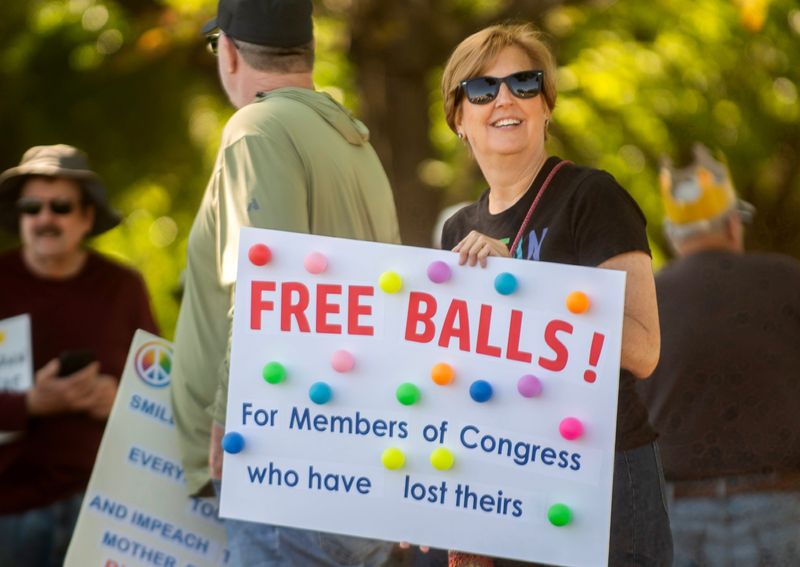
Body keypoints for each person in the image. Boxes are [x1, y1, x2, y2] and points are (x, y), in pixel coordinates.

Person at [169, 0, 401, 565]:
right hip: (342, 459)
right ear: (309, 51)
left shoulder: (257, 127)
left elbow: (267, 288)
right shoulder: (351, 140)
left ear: (227, 51)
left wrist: (233, 418)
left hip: (276, 461)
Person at [437, 23, 672, 566]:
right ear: (459, 118)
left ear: (546, 106)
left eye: (524, 83)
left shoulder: (592, 197)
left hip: (604, 477)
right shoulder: (457, 231)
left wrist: (525, 285)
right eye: (482, 89)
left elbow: (642, 348)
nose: (504, 99)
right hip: (505, 478)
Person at [636, 144, 800, 566]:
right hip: (782, 507)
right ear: (733, 225)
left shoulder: (643, 301)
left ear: (673, 236)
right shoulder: (789, 281)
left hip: (676, 514)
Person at [0, 144, 159, 567]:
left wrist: (121, 400)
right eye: (31, 207)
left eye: (61, 206)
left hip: (108, 505)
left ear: (87, 217)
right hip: (10, 508)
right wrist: (32, 402)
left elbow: (159, 389)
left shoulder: (123, 287)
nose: (44, 218)